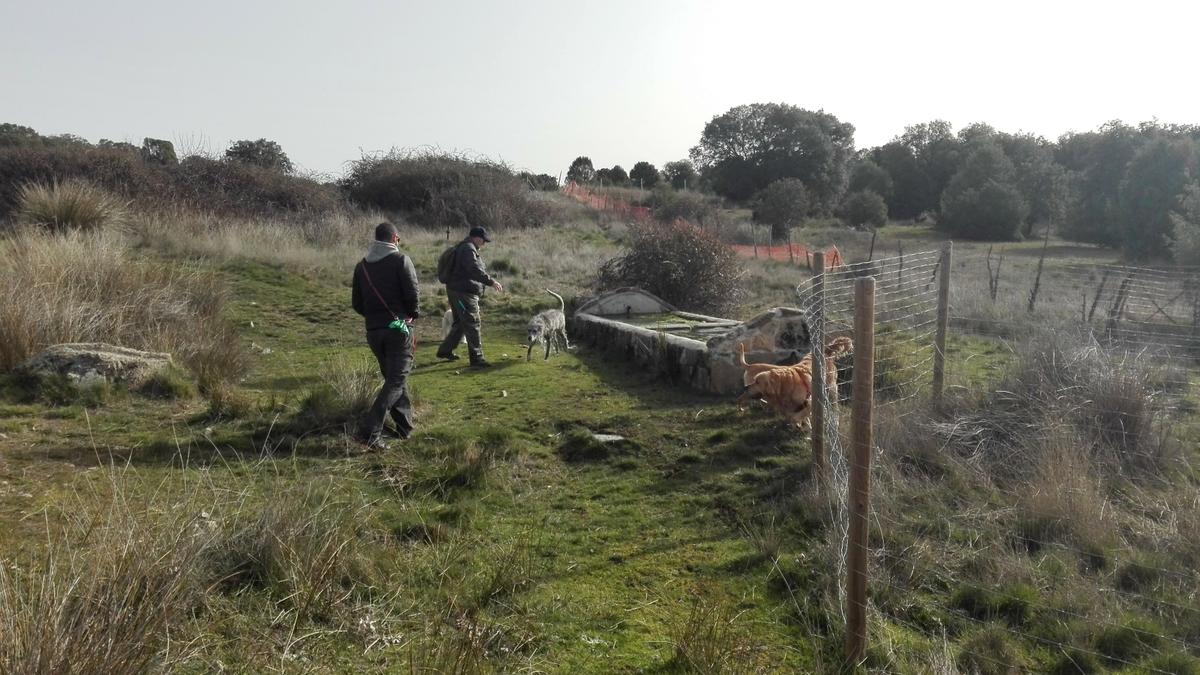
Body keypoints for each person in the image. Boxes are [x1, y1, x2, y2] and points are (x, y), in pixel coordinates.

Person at [351, 222, 420, 449]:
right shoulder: (401, 260)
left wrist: (375, 318)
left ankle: (405, 428)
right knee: (396, 380)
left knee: (394, 379)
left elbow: (357, 304)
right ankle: (370, 433)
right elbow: (412, 294)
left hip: (374, 332)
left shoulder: (361, 267)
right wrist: (411, 315)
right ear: (394, 239)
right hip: (399, 330)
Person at [436, 225, 504, 367]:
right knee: (472, 323)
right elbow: (474, 269)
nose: (484, 243)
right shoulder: (468, 249)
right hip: (464, 294)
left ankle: (445, 350)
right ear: (476, 237)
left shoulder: (463, 247)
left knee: (461, 323)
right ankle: (477, 359)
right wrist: (491, 281)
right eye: (483, 240)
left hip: (456, 291)